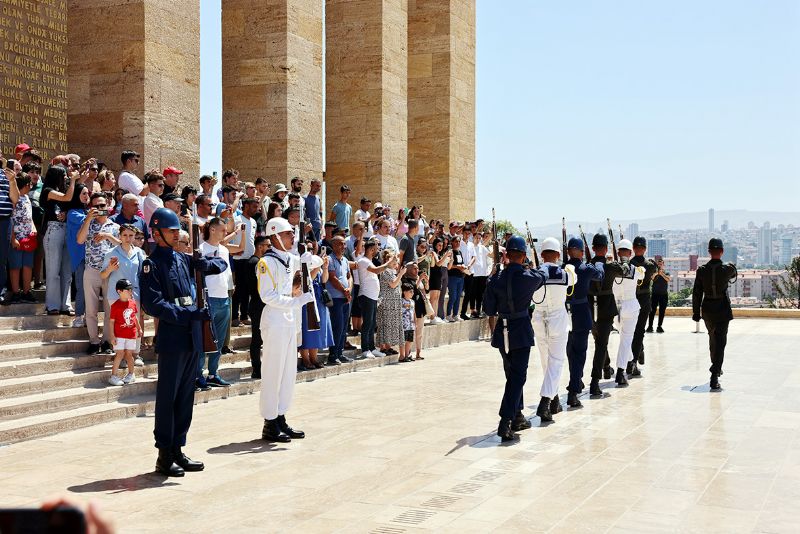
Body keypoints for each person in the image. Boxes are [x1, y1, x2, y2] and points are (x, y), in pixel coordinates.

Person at [140, 207, 228, 476]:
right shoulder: (151, 265)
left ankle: (179, 447)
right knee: (168, 396)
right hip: (173, 337)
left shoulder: (181, 259)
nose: (176, 234)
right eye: (171, 230)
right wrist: (190, 313)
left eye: (177, 229)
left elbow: (221, 265)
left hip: (192, 337)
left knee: (185, 397)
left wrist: (207, 263)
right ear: (156, 234)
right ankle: (164, 454)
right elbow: (154, 305)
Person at [256, 216, 316, 443]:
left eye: (292, 233)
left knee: (289, 372)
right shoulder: (266, 263)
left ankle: (281, 416)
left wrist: (309, 263)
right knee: (273, 372)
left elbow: (299, 282)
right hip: (275, 321)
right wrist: (297, 302)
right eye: (287, 234)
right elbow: (267, 296)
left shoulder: (292, 259)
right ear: (274, 237)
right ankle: (269, 421)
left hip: (291, 320)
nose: (292, 237)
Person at [483, 235, 548, 441]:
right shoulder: (528, 277)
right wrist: (528, 264)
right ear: (523, 256)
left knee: (512, 375)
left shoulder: (496, 279)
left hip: (502, 330)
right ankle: (506, 421)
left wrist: (492, 278)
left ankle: (517, 416)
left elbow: (489, 309)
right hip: (520, 330)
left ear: (506, 255)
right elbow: (541, 277)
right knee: (518, 377)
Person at [531, 238, 577, 422]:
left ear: (541, 255)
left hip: (539, 319)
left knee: (545, 361)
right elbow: (574, 278)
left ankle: (554, 399)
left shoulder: (534, 274)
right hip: (557, 319)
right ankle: (545, 401)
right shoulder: (566, 274)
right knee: (556, 361)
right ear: (558, 255)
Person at [587, 234, 631, 396]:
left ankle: (606, 368)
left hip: (591, 310)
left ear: (593, 249)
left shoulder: (587, 266)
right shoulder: (611, 266)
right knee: (601, 345)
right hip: (606, 311)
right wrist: (625, 260)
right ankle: (594, 381)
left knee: (599, 342)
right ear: (606, 249)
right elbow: (625, 271)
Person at [78, 193, 121, 355]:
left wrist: (108, 236)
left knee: (110, 309)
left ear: (108, 206)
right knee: (91, 308)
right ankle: (94, 341)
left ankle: (108, 341)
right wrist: (88, 219)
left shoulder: (115, 227)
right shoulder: (87, 223)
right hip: (91, 270)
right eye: (95, 206)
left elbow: (123, 246)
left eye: (102, 205)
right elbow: (80, 240)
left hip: (110, 272)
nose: (99, 209)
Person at [564, 237, 604, 408]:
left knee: (570, 352)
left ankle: (576, 380)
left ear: (567, 252)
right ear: (581, 252)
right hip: (580, 314)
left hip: (565, 315)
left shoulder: (561, 269)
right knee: (579, 353)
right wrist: (600, 263)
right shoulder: (586, 269)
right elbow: (600, 275)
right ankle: (573, 390)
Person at [692, 238, 737, 391]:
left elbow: (696, 293)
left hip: (708, 309)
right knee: (721, 343)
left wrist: (695, 312)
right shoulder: (727, 269)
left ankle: (715, 368)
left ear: (709, 252)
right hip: (722, 309)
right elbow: (734, 271)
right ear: (722, 252)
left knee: (713, 340)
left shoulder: (702, 270)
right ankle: (715, 373)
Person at [101, 224, 147, 367]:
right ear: (119, 236)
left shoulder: (139, 252)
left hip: (135, 294)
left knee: (134, 322)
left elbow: (143, 274)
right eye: (125, 235)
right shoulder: (111, 252)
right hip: (116, 295)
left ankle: (135, 354)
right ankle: (120, 356)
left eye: (131, 235)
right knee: (120, 325)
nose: (128, 238)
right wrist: (110, 268)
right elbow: (103, 275)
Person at [197, 218, 234, 388]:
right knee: (205, 338)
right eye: (222, 230)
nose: (225, 233)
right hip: (207, 298)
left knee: (218, 340)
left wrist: (229, 290)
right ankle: (198, 374)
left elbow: (226, 274)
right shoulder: (201, 249)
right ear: (212, 229)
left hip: (223, 298)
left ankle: (213, 373)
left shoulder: (224, 250)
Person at [40, 165, 76, 314]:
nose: (66, 178)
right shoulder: (48, 191)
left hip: (65, 230)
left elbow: (70, 202)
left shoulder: (62, 190)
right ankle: (53, 305)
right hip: (53, 230)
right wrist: (73, 180)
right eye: (64, 176)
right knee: (53, 270)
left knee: (67, 271)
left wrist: (67, 213)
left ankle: (66, 304)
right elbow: (67, 198)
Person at [611, 240, 646, 387]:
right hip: (630, 306)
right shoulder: (637, 271)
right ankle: (621, 371)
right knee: (626, 339)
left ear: (618, 253)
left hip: (617, 308)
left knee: (625, 337)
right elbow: (642, 276)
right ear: (630, 253)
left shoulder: (611, 269)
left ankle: (631, 360)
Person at [356, 239, 392, 359]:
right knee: (367, 323)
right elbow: (376, 270)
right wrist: (389, 263)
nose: (377, 251)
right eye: (376, 248)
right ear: (371, 249)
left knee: (372, 323)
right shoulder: (363, 260)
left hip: (373, 297)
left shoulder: (369, 261)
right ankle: (365, 349)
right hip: (366, 296)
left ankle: (371, 348)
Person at [299, 249, 334, 370]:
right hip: (306, 302)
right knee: (306, 331)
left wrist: (324, 268)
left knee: (316, 331)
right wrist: (317, 266)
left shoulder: (316, 265)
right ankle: (305, 359)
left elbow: (324, 280)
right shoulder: (301, 265)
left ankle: (313, 358)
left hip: (318, 300)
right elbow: (307, 280)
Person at [629, 236, 658, 375]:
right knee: (639, 331)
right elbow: (654, 271)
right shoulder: (650, 265)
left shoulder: (629, 265)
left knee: (631, 331)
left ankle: (634, 358)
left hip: (632, 300)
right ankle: (635, 357)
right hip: (644, 300)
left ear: (633, 249)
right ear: (645, 249)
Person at [107, 279, 142, 386]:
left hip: (131, 334)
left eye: (131, 290)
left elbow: (135, 317)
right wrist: (112, 336)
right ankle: (113, 376)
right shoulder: (115, 306)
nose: (130, 292)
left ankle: (131, 374)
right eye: (128, 290)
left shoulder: (132, 303)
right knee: (120, 354)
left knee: (129, 354)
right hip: (119, 335)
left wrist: (139, 328)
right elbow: (111, 322)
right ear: (119, 291)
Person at [8, 173, 36, 303]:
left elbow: (29, 217)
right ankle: (15, 292)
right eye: (30, 184)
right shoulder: (15, 198)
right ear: (26, 185)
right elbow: (11, 219)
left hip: (28, 238)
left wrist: (33, 228)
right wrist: (13, 238)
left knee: (27, 265)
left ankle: (26, 291)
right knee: (15, 266)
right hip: (17, 239)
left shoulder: (26, 198)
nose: (31, 186)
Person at [231, 198, 258, 327]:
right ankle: (234, 316)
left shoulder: (253, 221)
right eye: (253, 206)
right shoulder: (237, 220)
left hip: (250, 259)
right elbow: (229, 235)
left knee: (248, 288)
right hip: (238, 260)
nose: (256, 209)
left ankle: (244, 315)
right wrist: (233, 251)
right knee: (238, 289)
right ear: (246, 206)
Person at [326, 235, 353, 365]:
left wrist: (349, 289)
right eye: (340, 244)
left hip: (345, 298)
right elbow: (332, 278)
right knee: (337, 326)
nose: (343, 247)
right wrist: (344, 290)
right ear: (334, 245)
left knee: (343, 327)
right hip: (335, 298)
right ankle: (333, 354)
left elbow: (349, 276)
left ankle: (340, 352)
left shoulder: (346, 260)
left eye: (344, 244)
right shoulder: (330, 259)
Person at [247, 236, 270, 379]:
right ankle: (257, 368)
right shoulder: (256, 262)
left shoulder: (256, 261)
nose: (270, 248)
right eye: (268, 245)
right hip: (258, 304)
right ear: (260, 246)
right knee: (257, 338)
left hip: (260, 303)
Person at [376, 249, 406, 356]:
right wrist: (401, 274)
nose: (396, 262)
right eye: (394, 260)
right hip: (386, 302)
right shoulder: (385, 271)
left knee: (390, 325)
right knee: (385, 324)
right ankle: (383, 347)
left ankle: (388, 346)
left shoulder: (392, 272)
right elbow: (393, 284)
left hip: (393, 302)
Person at [446, 236, 468, 321]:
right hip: (452, 277)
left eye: (459, 242)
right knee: (453, 297)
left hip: (460, 277)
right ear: (452, 242)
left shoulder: (460, 252)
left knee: (458, 297)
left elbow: (460, 263)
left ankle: (455, 315)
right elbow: (449, 266)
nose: (458, 243)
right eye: (456, 241)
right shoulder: (450, 252)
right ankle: (448, 315)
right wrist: (458, 267)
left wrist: (463, 267)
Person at [647, 258, 670, 333]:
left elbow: (668, 279)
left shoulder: (666, 272)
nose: (660, 265)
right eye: (659, 264)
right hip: (655, 294)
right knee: (652, 311)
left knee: (662, 311)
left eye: (661, 264)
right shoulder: (654, 272)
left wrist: (662, 273)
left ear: (663, 265)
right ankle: (650, 326)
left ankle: (659, 326)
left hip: (663, 295)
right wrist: (657, 273)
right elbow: (652, 278)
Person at [399, 283, 416, 362]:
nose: (412, 293)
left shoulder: (412, 302)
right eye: (410, 291)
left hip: (411, 325)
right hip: (403, 325)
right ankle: (402, 356)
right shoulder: (401, 301)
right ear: (404, 292)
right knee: (403, 340)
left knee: (409, 340)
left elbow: (414, 313)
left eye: (413, 292)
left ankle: (407, 355)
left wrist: (415, 323)